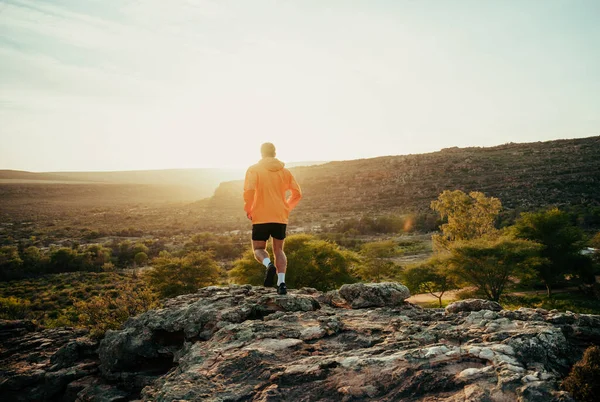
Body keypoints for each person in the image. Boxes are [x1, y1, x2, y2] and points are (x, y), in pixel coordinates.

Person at [243, 142, 302, 295]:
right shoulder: (285, 172)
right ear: (275, 153)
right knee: (279, 250)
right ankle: (281, 283)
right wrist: (286, 207)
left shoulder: (254, 169)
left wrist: (248, 208)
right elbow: (297, 193)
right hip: (280, 216)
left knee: (258, 249)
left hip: (260, 215)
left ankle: (269, 264)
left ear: (261, 153)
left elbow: (249, 191)